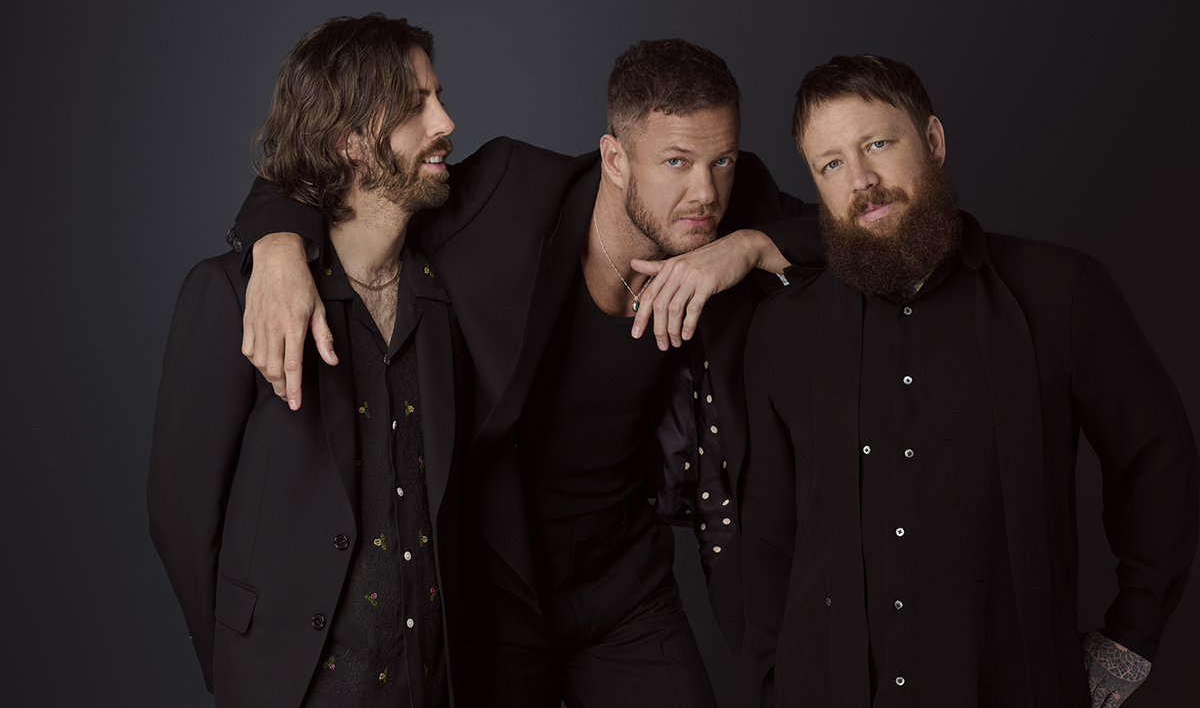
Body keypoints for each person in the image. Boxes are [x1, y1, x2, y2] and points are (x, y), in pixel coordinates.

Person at [231, 38, 819, 707]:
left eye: (722, 161)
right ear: (615, 158)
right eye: (676, 162)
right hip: (496, 597)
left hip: (629, 591)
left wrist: (750, 247)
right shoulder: (509, 191)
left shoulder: (730, 211)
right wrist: (278, 245)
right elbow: (349, 175)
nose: (704, 192)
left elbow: (855, 230)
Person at [741, 53, 1198, 708]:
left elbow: (1158, 457)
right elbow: (766, 532)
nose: (861, 179)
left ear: (932, 139)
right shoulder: (782, 330)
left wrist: (1134, 633)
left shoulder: (1061, 292)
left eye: (876, 144)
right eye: (831, 164)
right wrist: (773, 680)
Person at [148, 14, 471, 707]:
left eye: (438, 98)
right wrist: (244, 668)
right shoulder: (231, 294)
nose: (446, 122)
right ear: (348, 140)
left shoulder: (446, 291)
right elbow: (180, 518)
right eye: (416, 105)